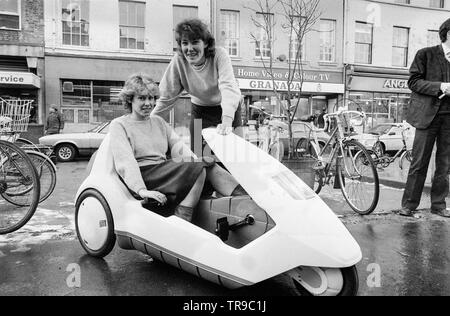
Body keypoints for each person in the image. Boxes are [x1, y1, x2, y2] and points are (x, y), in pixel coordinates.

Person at [110, 73, 247, 223]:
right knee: (199, 166)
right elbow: (125, 161)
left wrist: (200, 162)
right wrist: (141, 190)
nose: (148, 103)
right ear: (130, 99)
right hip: (144, 175)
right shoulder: (119, 124)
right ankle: (182, 218)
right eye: (142, 98)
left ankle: (248, 202)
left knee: (208, 164)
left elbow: (179, 148)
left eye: (151, 98)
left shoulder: (158, 122)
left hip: (163, 171)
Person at [151, 18, 242, 155]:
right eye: (185, 43)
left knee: (234, 154)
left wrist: (227, 120)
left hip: (228, 109)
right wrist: (148, 122)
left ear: (205, 43)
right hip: (200, 110)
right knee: (199, 156)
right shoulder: (178, 61)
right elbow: (166, 96)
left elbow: (228, 87)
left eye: (195, 42)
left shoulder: (219, 55)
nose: (189, 49)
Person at [400, 18, 450, 218]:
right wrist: (440, 86)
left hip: (449, 119)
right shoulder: (425, 54)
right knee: (419, 163)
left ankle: (438, 205)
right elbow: (413, 81)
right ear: (448, 32)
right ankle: (409, 206)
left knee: (445, 165)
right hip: (427, 117)